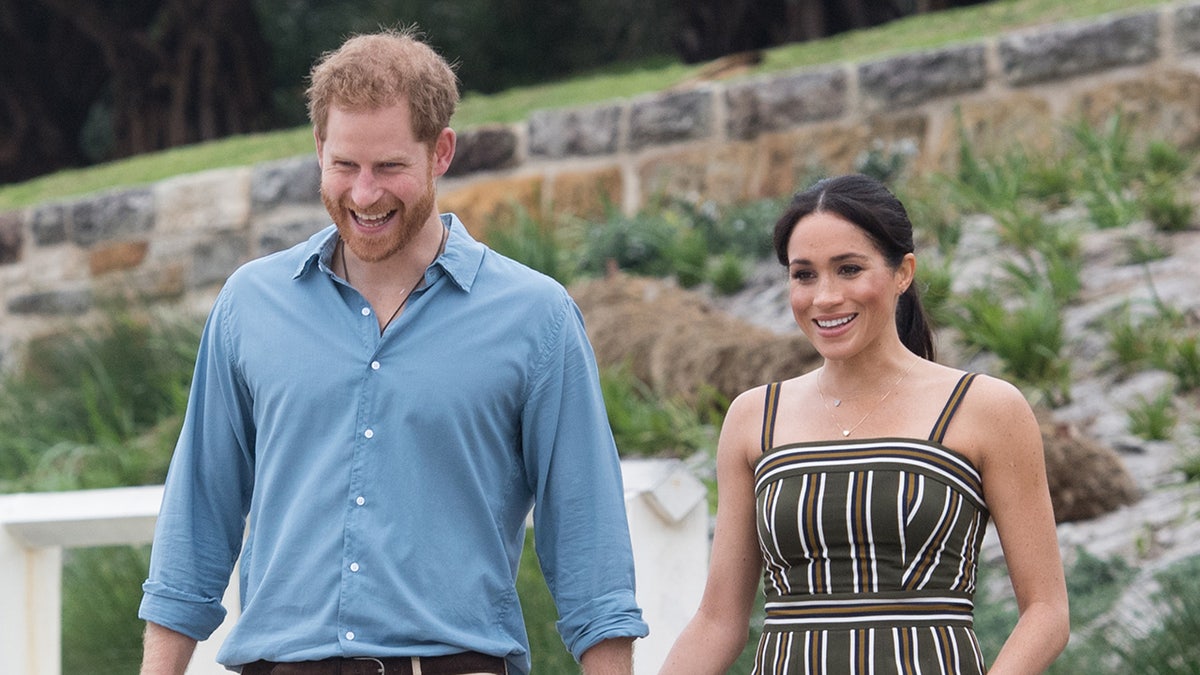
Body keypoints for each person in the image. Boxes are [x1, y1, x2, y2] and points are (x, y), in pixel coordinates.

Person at [139, 27, 648, 675]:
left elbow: (588, 539)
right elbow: (197, 514)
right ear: (319, 148)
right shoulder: (249, 304)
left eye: (389, 167)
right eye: (344, 165)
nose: (364, 194)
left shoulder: (536, 317)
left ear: (441, 152)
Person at [659, 174, 1068, 674]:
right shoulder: (754, 417)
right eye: (803, 274)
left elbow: (1047, 612)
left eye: (849, 269)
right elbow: (719, 622)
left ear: (903, 272)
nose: (825, 297)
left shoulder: (984, 407)